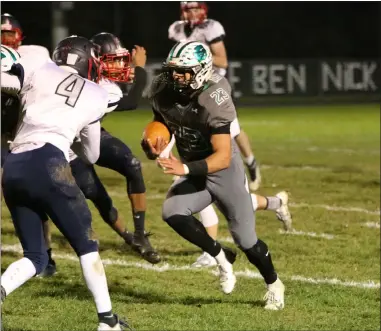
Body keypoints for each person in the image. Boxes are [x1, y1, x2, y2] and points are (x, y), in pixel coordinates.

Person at [142, 41, 285, 310]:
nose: (176, 77)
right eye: (173, 70)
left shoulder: (215, 97)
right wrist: (153, 141)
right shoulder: (162, 88)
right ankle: (222, 257)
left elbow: (221, 156)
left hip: (223, 172)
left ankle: (274, 284)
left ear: (201, 70)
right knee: (172, 211)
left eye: (183, 71)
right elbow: (163, 121)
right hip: (195, 168)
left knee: (247, 240)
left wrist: (184, 169)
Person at [1, 35, 130, 330]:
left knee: (36, 256)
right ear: (89, 63)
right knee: (87, 245)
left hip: (14, 164)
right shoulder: (97, 93)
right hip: (49, 160)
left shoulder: (37, 63)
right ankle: (107, 321)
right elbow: (93, 154)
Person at [168, 3, 292, 267]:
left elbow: (222, 60)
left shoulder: (211, 28)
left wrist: (198, 59)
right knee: (225, 193)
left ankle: (252, 165)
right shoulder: (177, 30)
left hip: (212, 94)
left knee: (227, 151)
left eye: (194, 8)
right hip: (191, 99)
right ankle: (276, 202)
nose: (189, 14)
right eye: (186, 8)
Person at [51, 32, 161, 265]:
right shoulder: (94, 88)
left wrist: (127, 73)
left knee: (132, 164)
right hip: (67, 144)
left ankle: (140, 235)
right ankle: (129, 237)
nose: (118, 65)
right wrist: (139, 70)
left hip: (88, 134)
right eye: (112, 60)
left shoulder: (100, 81)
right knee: (96, 194)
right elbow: (130, 103)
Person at [1, 13, 59, 277]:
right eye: (2, 33)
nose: (5, 37)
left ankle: (44, 254)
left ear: (20, 35)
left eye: (10, 33)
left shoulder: (35, 54)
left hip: (26, 133)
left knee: (32, 196)